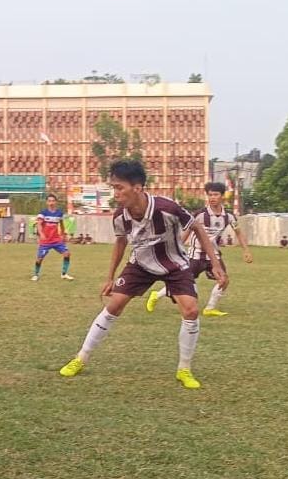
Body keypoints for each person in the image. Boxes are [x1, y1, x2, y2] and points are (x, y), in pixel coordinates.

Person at [58, 160, 227, 390]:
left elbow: (196, 226)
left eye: (119, 187)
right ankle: (81, 358)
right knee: (114, 305)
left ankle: (184, 369)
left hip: (175, 264)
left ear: (137, 188)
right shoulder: (120, 216)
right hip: (140, 264)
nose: (115, 193)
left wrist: (215, 263)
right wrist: (110, 277)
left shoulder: (167, 208)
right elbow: (120, 242)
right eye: (113, 187)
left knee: (191, 309)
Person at [146, 181, 253, 317]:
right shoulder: (200, 214)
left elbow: (238, 233)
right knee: (182, 282)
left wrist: (246, 250)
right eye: (210, 195)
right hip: (195, 255)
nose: (212, 198)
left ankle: (209, 308)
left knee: (224, 280)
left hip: (213, 255)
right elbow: (187, 232)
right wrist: (175, 249)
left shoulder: (229, 216)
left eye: (215, 195)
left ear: (222, 196)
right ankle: (156, 295)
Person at [32, 194, 74, 282]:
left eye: (53, 201)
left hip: (56, 240)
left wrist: (64, 234)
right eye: (49, 201)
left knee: (67, 254)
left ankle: (64, 274)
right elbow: (39, 224)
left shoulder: (59, 213)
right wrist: (41, 234)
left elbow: (61, 224)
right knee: (39, 258)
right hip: (46, 240)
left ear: (55, 202)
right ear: (47, 202)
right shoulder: (43, 213)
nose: (51, 203)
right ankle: (36, 274)